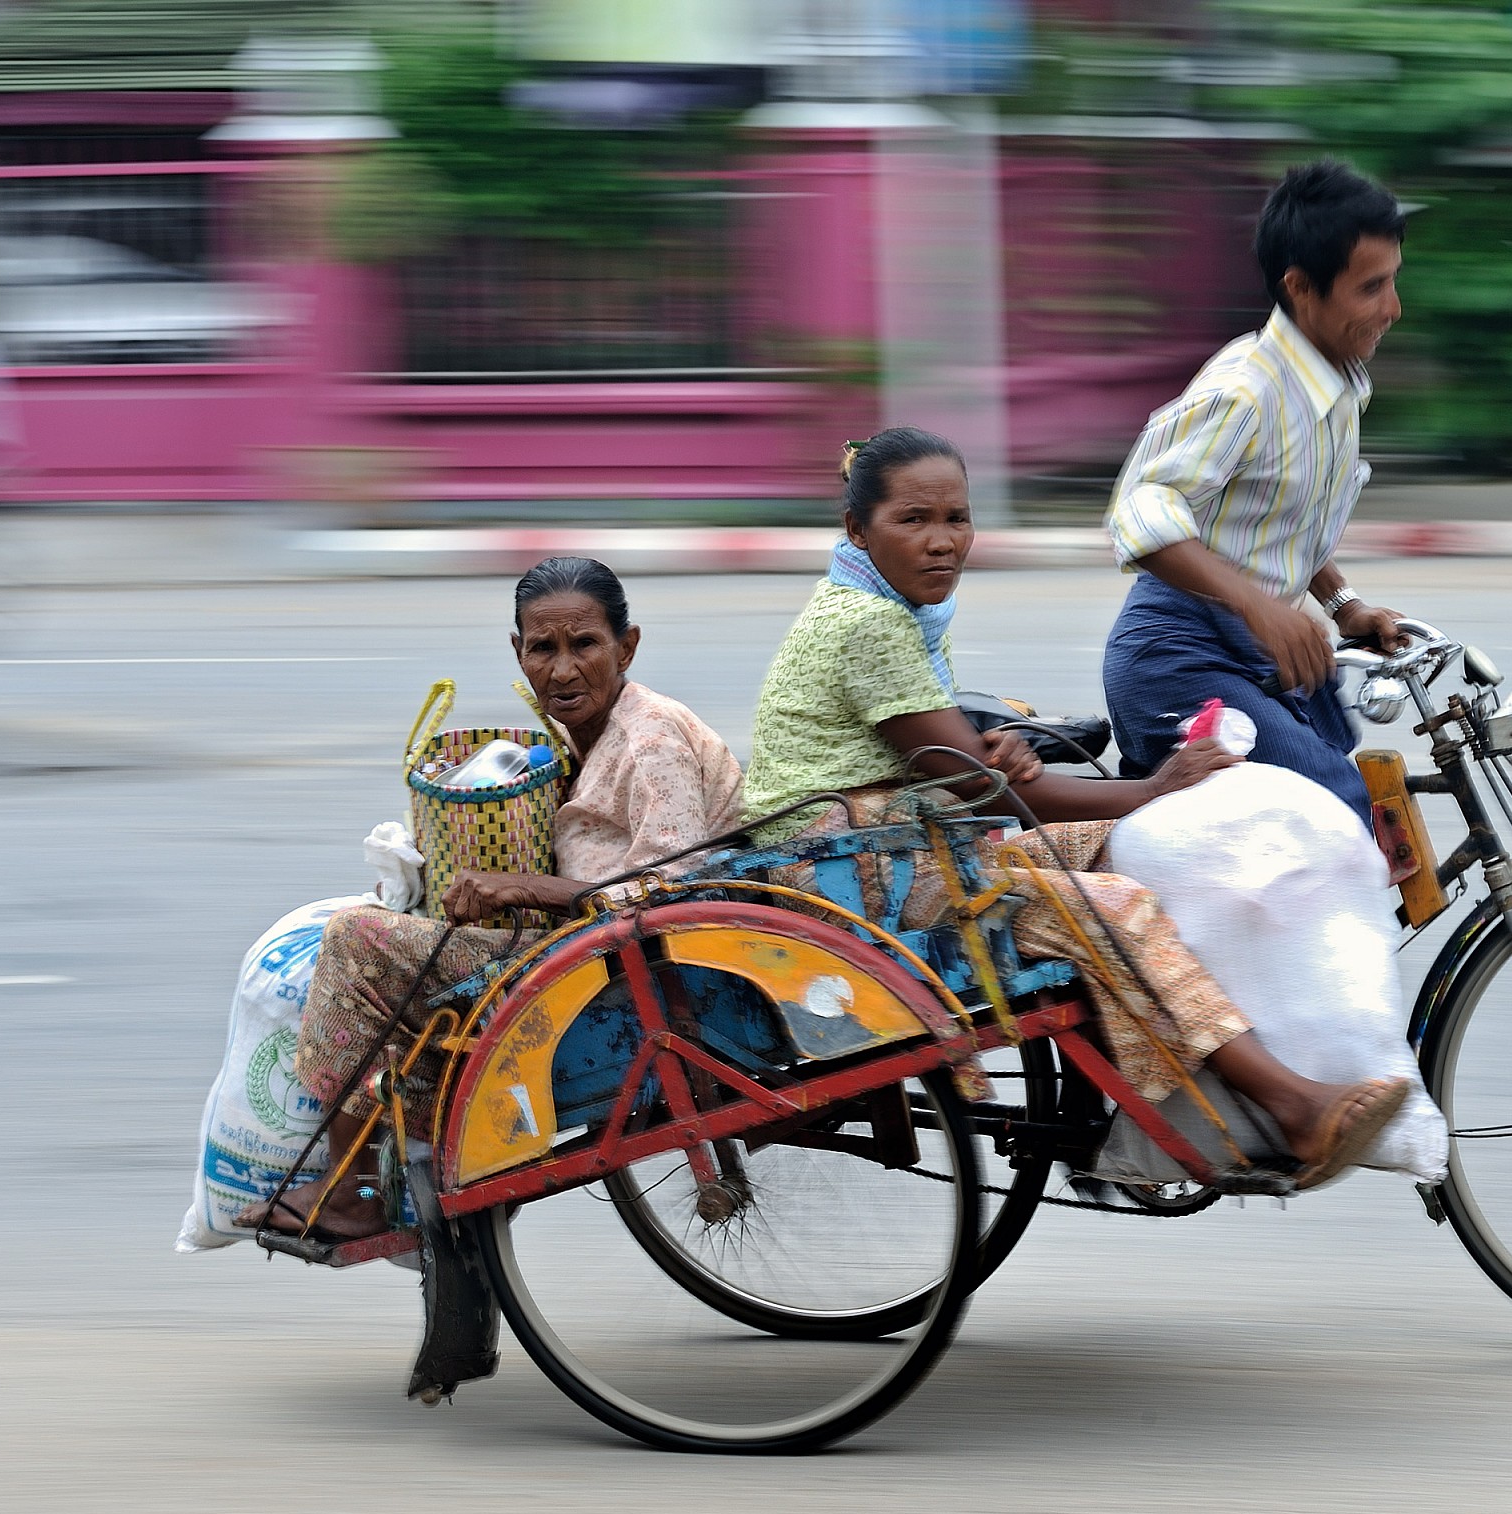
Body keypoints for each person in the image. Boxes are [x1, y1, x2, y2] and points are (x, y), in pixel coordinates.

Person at [743, 426, 1409, 1184]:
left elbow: (955, 758)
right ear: (858, 530)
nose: (941, 543)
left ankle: (1173, 1087)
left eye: (956, 519)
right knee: (1119, 901)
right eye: (914, 521)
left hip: (901, 844)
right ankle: (1291, 1105)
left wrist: (1010, 761)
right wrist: (1149, 788)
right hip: (848, 877)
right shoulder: (867, 623)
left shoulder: (895, 611)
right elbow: (979, 783)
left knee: (1143, 844)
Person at [239, 557, 743, 1240]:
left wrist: (525, 886)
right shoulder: (576, 732)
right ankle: (417, 1152)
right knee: (386, 932)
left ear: (627, 646)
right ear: (518, 652)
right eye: (544, 649)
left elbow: (665, 890)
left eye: (585, 645)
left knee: (355, 942)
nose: (563, 670)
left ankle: (360, 1190)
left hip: (633, 970)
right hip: (590, 949)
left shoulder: (650, 738)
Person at [1101, 160, 1413, 821]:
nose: (1394, 308)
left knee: (1351, 793)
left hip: (1261, 646)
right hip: (1178, 655)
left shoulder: (1338, 384)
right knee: (1330, 813)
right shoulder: (1246, 391)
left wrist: (1343, 604)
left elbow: (1278, 517)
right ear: (1301, 288)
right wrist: (1259, 608)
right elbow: (1141, 509)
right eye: (1372, 288)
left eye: (1394, 282)